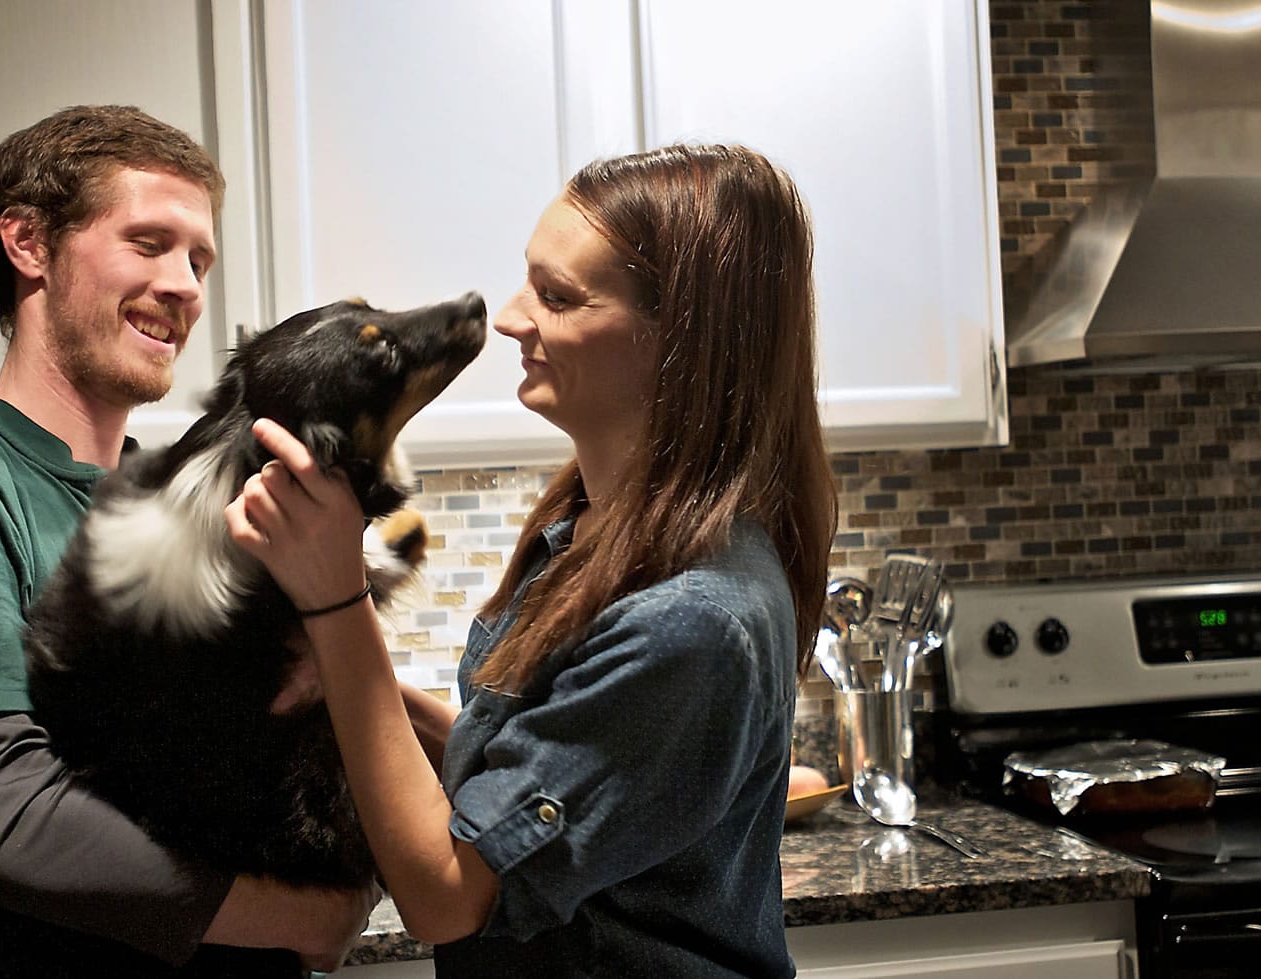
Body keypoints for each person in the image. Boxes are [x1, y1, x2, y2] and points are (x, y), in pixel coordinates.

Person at [227, 143, 838, 976]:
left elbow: (446, 895)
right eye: (529, 279)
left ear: (680, 342)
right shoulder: (589, 529)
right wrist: (336, 678)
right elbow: (514, 765)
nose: (512, 317)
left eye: (556, 297)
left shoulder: (692, 619)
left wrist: (338, 603)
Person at [0, 104, 379, 977]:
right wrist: (302, 915)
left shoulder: (191, 505)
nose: (189, 284)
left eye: (199, 259)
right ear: (28, 243)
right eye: (149, 243)